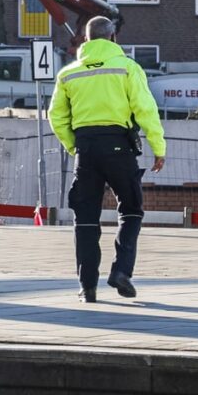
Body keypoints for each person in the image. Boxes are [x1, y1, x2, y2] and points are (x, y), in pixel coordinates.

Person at [48, 16, 165, 303]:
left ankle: (87, 286)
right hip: (118, 147)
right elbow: (145, 109)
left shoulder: (68, 74)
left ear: (86, 40)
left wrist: (74, 146)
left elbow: (56, 116)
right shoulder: (127, 68)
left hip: (86, 148)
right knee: (131, 209)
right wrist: (157, 146)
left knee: (85, 217)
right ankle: (121, 271)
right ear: (113, 38)